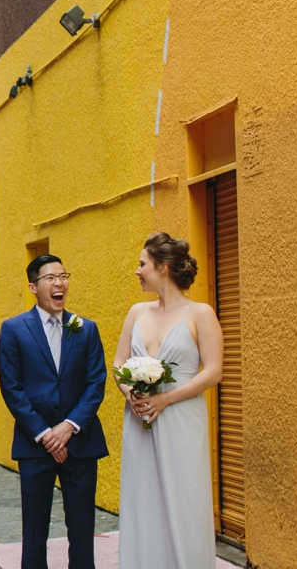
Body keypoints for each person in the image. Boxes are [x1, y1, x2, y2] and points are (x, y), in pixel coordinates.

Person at [115, 233, 223, 568]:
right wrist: (131, 393)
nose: (137, 270)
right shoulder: (136, 312)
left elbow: (214, 371)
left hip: (180, 421)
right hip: (139, 420)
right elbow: (118, 365)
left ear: (162, 268)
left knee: (184, 499)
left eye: (142, 264)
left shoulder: (200, 313)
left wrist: (166, 400)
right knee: (143, 501)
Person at [0, 253, 109, 569]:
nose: (59, 283)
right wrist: (46, 434)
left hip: (80, 442)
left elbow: (96, 382)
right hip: (35, 445)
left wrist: (69, 426)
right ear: (33, 286)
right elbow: (12, 387)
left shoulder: (85, 329)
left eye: (63, 276)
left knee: (82, 526)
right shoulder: (14, 329)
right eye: (50, 278)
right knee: (34, 530)